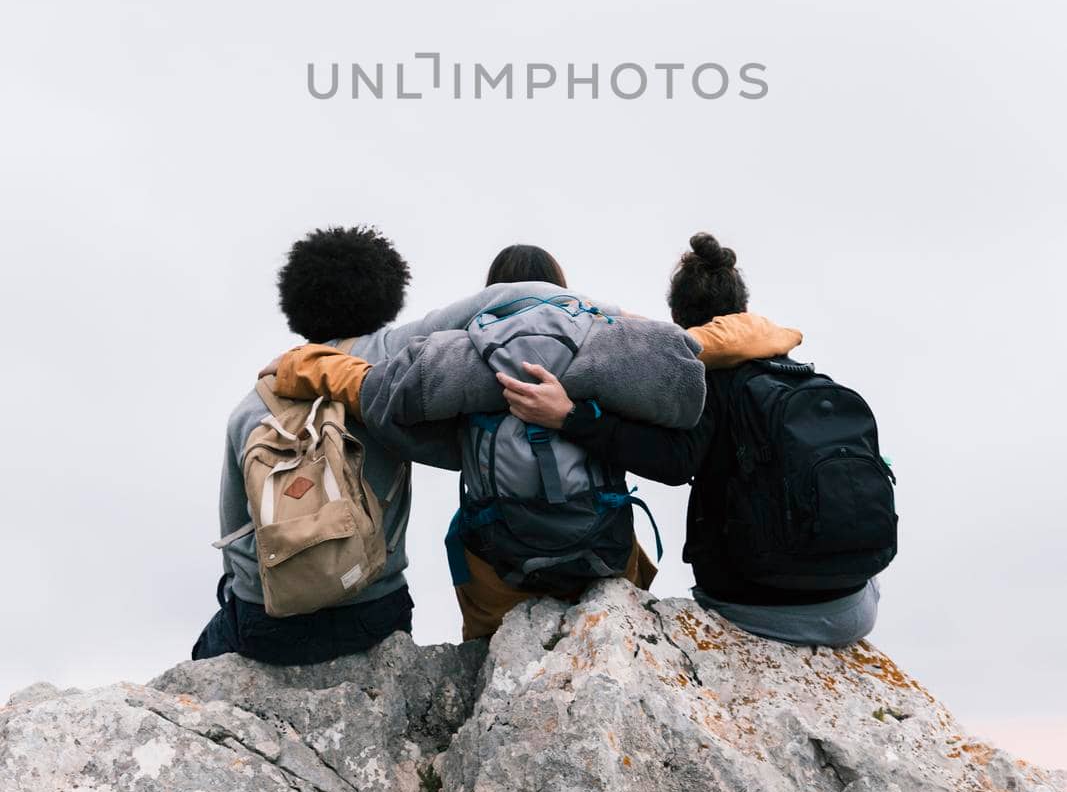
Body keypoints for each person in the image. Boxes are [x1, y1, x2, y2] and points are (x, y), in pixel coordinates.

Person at [267, 244, 716, 640]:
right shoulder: (606, 345)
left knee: (461, 537)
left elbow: (391, 409)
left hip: (501, 558)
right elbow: (683, 385)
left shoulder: (464, 352)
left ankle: (484, 655)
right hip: (601, 550)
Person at [193, 227, 580, 664]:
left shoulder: (257, 398)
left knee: (204, 649)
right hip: (371, 615)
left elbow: (234, 530)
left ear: (294, 303)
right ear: (387, 294)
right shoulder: (389, 355)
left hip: (268, 623)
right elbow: (511, 296)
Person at [500, 234, 881, 648]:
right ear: (742, 306)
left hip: (757, 602)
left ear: (679, 316)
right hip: (855, 606)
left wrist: (571, 418)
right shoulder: (794, 369)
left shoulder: (706, 380)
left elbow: (675, 462)